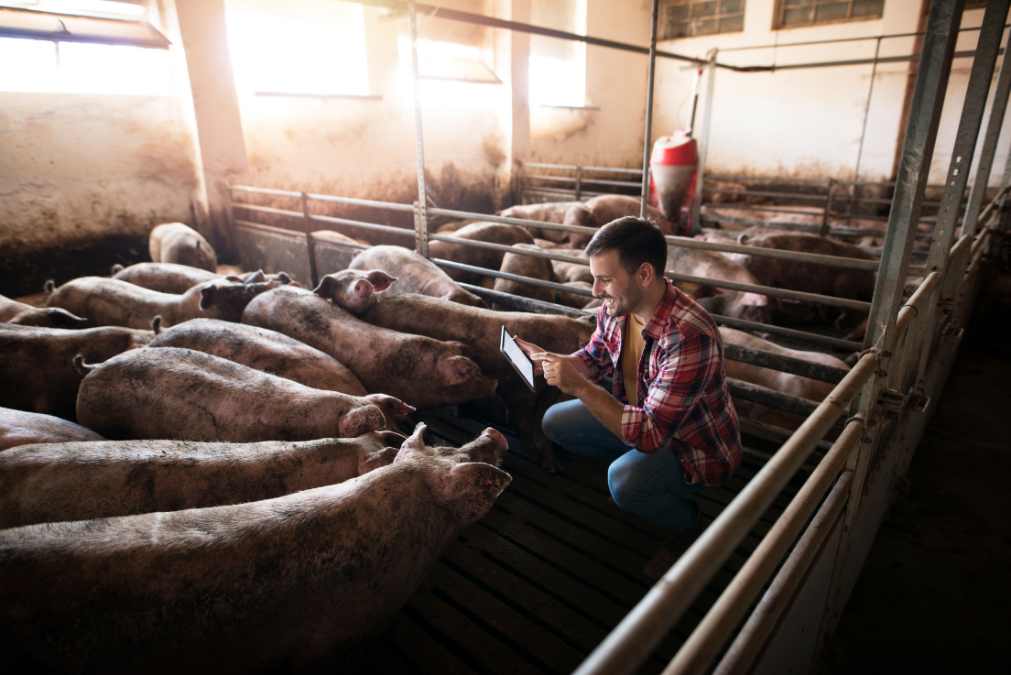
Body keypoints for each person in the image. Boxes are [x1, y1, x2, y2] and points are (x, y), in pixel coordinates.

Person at [515, 216, 741, 580]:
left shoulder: (689, 334)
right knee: (555, 422)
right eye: (594, 277)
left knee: (623, 482)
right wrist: (556, 363)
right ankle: (641, 483)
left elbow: (652, 434)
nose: (594, 290)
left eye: (605, 278)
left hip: (694, 448)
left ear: (645, 275)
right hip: (642, 419)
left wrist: (579, 387)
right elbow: (595, 358)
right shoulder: (617, 308)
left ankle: (687, 528)